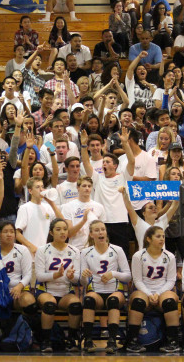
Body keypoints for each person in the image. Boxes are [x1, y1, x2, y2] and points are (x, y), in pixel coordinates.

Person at [0, 221, 36, 352]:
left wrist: (19, 287)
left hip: (16, 291)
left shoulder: (22, 250)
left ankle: (30, 336)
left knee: (30, 302)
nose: (9, 234)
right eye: (5, 232)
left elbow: (27, 274)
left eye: (12, 232)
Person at [125, 226, 180, 353]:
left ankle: (173, 341)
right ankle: (132, 341)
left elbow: (171, 280)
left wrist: (158, 294)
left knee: (170, 301)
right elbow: (137, 280)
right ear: (148, 239)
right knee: (138, 301)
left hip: (163, 290)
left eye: (163, 236)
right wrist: (150, 294)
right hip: (144, 290)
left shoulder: (170, 256)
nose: (162, 239)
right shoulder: (138, 256)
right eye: (158, 236)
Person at [81, 128, 134, 256]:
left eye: (107, 162)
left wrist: (125, 143)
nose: (104, 163)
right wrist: (83, 145)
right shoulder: (97, 178)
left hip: (120, 222)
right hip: (102, 223)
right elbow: (86, 162)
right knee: (101, 254)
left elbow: (132, 161)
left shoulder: (123, 177)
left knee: (121, 254)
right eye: (103, 162)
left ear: (115, 165)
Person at [80, 220, 131, 353]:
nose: (101, 232)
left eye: (102, 229)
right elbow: (83, 283)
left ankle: (112, 341)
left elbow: (128, 276)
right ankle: (88, 340)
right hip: (95, 292)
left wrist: (113, 274)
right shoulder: (85, 252)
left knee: (113, 301)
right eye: (97, 230)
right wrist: (84, 276)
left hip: (114, 291)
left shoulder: (117, 250)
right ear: (91, 234)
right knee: (88, 300)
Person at [35, 218, 82, 352]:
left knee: (76, 305)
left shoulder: (75, 251)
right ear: (51, 232)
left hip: (66, 292)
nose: (62, 232)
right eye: (58, 229)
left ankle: (71, 339)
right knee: (49, 304)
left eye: (65, 229)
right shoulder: (42, 250)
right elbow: (39, 276)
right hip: (46, 291)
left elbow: (77, 279)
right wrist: (55, 275)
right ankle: (46, 340)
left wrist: (71, 277)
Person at [62, 177, 105, 250]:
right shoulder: (68, 206)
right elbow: (69, 233)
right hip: (75, 248)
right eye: (84, 186)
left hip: (94, 248)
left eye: (89, 186)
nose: (87, 188)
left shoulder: (99, 207)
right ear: (78, 187)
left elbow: (103, 232)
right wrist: (83, 221)